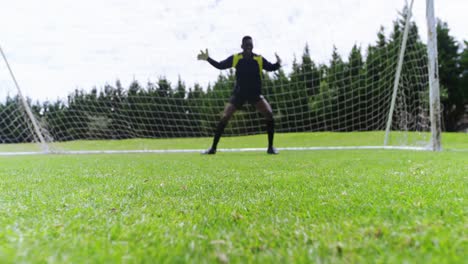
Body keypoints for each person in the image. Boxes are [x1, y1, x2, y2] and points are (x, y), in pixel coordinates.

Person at [197, 35, 281, 154]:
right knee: (225, 116)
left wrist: (278, 63)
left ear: (253, 46)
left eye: (250, 44)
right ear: (242, 46)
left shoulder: (259, 59)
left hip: (255, 94)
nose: (248, 46)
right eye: (246, 44)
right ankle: (213, 148)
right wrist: (208, 58)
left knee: (269, 114)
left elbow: (271, 68)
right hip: (239, 94)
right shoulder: (236, 58)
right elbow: (221, 66)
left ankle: (271, 148)